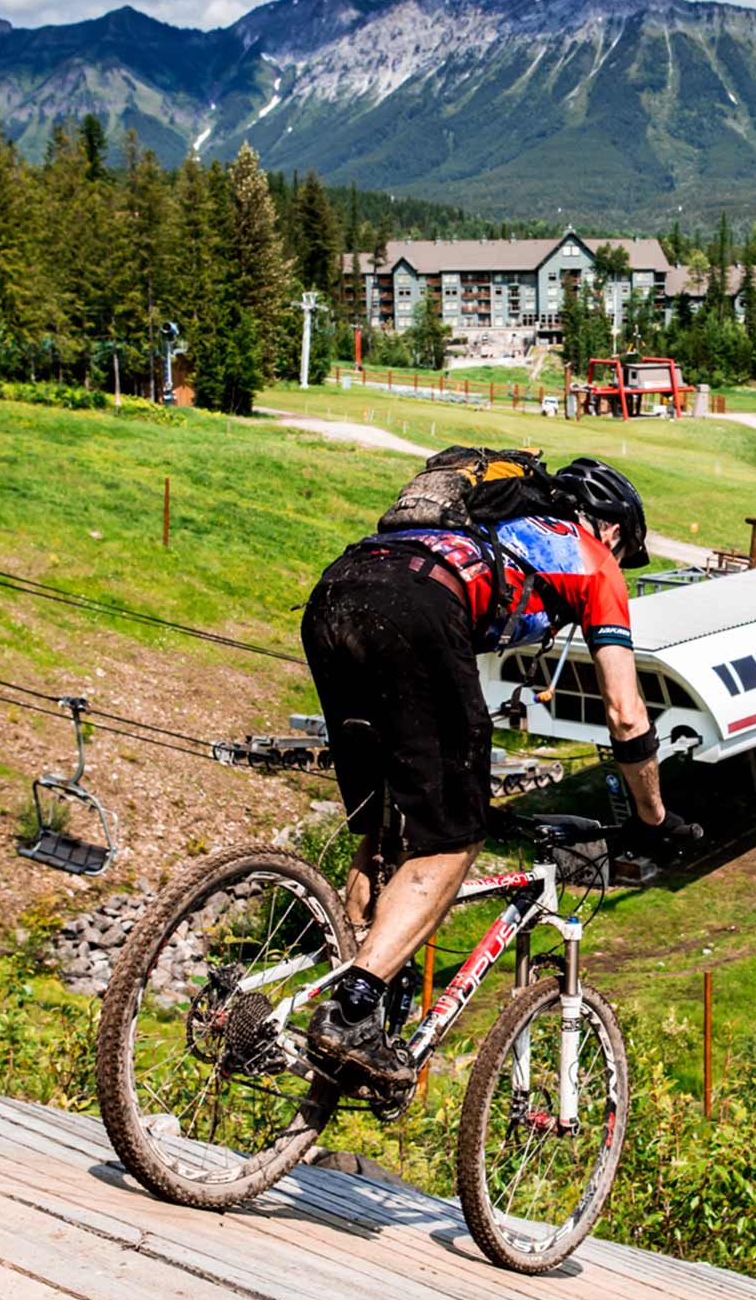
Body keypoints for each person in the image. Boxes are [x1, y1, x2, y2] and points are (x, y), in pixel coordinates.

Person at [299, 458, 698, 1088]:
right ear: (615, 530)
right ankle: (350, 1010)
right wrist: (654, 817)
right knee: (455, 835)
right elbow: (626, 714)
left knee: (383, 834)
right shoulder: (593, 560)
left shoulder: (494, 526)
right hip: (418, 606)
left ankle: (325, 993)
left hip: (337, 590)